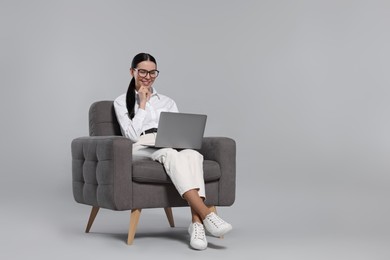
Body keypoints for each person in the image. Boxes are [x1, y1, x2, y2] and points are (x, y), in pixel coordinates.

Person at [114, 53, 232, 250]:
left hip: (167, 141)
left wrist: (180, 140)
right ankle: (206, 214)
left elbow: (177, 129)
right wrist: (142, 104)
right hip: (140, 146)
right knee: (168, 153)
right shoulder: (120, 101)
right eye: (142, 71)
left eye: (153, 72)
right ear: (132, 71)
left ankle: (196, 225)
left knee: (193, 154)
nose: (147, 76)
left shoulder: (167, 101)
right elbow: (131, 135)